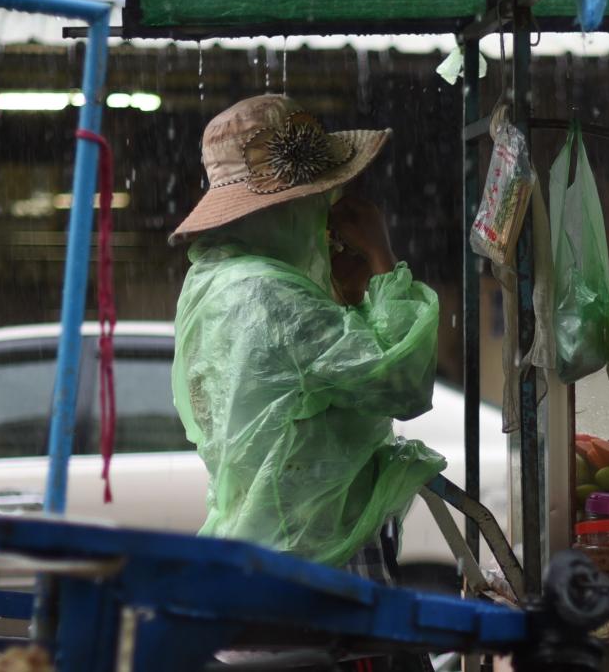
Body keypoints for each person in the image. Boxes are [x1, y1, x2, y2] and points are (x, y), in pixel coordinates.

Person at [168, 94, 446, 590]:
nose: (329, 218)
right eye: (322, 201)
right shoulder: (267, 294)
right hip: (311, 551)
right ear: (289, 208)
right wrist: (381, 257)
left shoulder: (220, 281)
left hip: (272, 541)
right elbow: (401, 383)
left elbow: (320, 382)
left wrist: (353, 292)